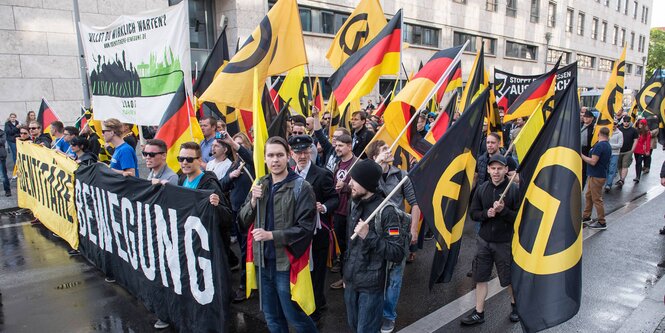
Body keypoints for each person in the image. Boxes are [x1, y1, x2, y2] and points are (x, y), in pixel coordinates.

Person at [238, 136, 318, 332]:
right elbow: (242, 219)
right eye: (271, 155)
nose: (275, 160)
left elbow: (305, 229)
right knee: (272, 316)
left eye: (280, 155)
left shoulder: (302, 187)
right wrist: (253, 202)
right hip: (262, 263)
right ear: (264, 158)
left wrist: (271, 235)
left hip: (286, 264)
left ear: (288, 156)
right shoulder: (260, 184)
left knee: (295, 315)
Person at [343, 159, 406, 333]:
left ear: (367, 183)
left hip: (371, 287)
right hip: (351, 281)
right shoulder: (354, 202)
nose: (350, 184)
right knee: (354, 327)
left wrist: (368, 236)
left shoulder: (386, 211)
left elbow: (397, 252)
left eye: (354, 180)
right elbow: (350, 245)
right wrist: (346, 275)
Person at [366, 141, 420, 333]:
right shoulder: (369, 176)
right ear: (374, 157)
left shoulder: (402, 175)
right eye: (384, 150)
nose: (389, 152)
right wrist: (376, 170)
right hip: (373, 233)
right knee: (376, 275)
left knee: (395, 278)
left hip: (397, 232)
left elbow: (414, 203)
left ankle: (388, 316)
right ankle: (374, 311)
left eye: (389, 149)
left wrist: (413, 229)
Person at [462, 154, 520, 326]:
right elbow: (473, 214)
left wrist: (503, 211)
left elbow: (519, 218)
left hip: (504, 243)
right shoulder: (481, 189)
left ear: (506, 170)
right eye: (493, 168)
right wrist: (485, 214)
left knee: (508, 278)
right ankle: (479, 312)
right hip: (484, 242)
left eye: (499, 168)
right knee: (480, 277)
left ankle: (516, 306)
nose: (496, 172)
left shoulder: (514, 190)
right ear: (488, 170)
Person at [289, 135, 339, 323]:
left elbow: (334, 198)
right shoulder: (289, 173)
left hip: (318, 233)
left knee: (316, 273)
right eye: (297, 152)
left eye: (305, 151)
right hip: (297, 234)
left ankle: (315, 312)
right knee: (303, 271)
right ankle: (312, 302)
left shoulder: (322, 173)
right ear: (291, 154)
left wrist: (323, 207)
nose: (302, 156)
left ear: (311, 151)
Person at [176, 141, 236, 273]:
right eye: (181, 159)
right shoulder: (181, 180)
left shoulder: (209, 184)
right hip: (191, 239)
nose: (184, 162)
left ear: (199, 160)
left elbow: (227, 216)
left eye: (189, 159)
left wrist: (216, 206)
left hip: (208, 244)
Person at [219, 132, 255, 302]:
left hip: (250, 213)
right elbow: (223, 185)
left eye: (241, 144)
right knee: (243, 248)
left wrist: (232, 143)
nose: (237, 147)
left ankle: (244, 285)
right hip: (236, 212)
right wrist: (230, 177)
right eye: (234, 144)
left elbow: (249, 156)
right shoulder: (234, 165)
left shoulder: (253, 163)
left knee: (246, 250)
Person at [329, 133, 357, 290]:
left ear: (349, 146)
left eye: (340, 145)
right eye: (336, 145)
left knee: (353, 247)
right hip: (339, 213)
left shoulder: (357, 164)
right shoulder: (337, 165)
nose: (336, 148)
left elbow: (362, 191)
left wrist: (346, 187)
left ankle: (353, 279)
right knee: (343, 247)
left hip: (352, 213)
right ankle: (344, 278)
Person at [581, 127, 612, 230]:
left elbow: (593, 161)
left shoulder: (599, 146)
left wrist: (582, 156)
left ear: (599, 133)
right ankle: (586, 216)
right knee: (588, 195)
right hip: (597, 174)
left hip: (597, 175)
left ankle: (602, 221)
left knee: (596, 199)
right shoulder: (607, 145)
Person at [616, 116, 638, 189]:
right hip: (619, 150)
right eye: (625, 121)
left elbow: (635, 140)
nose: (626, 123)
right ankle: (621, 178)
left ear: (630, 122)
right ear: (623, 122)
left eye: (627, 121)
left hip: (628, 151)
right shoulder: (619, 129)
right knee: (619, 166)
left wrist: (632, 149)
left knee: (625, 165)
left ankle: (622, 179)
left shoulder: (633, 130)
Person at [605, 122, 623, 192]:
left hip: (615, 154)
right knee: (606, 168)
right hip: (607, 153)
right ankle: (606, 182)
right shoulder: (607, 132)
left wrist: (609, 146)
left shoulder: (619, 133)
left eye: (615, 124)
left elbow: (620, 145)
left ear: (617, 125)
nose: (613, 125)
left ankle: (608, 184)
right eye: (612, 124)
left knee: (612, 169)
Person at [580, 109, 596, 188]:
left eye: (587, 117)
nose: (585, 118)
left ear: (592, 118)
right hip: (578, 148)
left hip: (587, 151)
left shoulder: (593, 128)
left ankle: (582, 186)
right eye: (584, 117)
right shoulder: (580, 125)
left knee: (584, 170)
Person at [633, 119, 651, 183]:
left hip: (642, 150)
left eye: (641, 124)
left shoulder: (647, 132)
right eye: (639, 123)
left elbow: (648, 142)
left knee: (639, 163)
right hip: (635, 149)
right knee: (636, 163)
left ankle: (638, 176)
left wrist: (647, 150)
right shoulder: (636, 130)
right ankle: (637, 175)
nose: (639, 125)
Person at [0, 128, 11, 197]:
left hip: (1, 156)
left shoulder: (2, 132)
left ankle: (7, 190)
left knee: (3, 175)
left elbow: (2, 141)